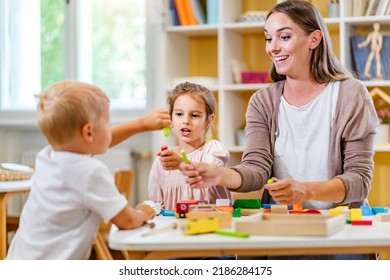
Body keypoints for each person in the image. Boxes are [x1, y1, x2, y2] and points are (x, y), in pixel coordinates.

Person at [180, 0, 379, 260]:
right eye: (268, 38)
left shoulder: (351, 95)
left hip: (338, 227)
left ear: (314, 39)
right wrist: (219, 175)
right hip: (281, 225)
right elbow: (257, 169)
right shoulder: (262, 102)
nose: (273, 47)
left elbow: (359, 181)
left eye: (284, 37)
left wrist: (305, 190)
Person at [6, 80, 171, 260]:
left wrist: (141, 124)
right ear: (89, 132)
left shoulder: (48, 156)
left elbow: (93, 143)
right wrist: (145, 211)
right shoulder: (89, 172)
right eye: (107, 123)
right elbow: (128, 221)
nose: (109, 130)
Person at [148, 82, 232, 211]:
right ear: (170, 119)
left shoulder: (214, 149)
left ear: (208, 120)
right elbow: (158, 206)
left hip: (212, 224)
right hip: (174, 227)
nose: (186, 121)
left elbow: (207, 172)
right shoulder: (162, 162)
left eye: (194, 115)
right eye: (179, 114)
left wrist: (180, 163)